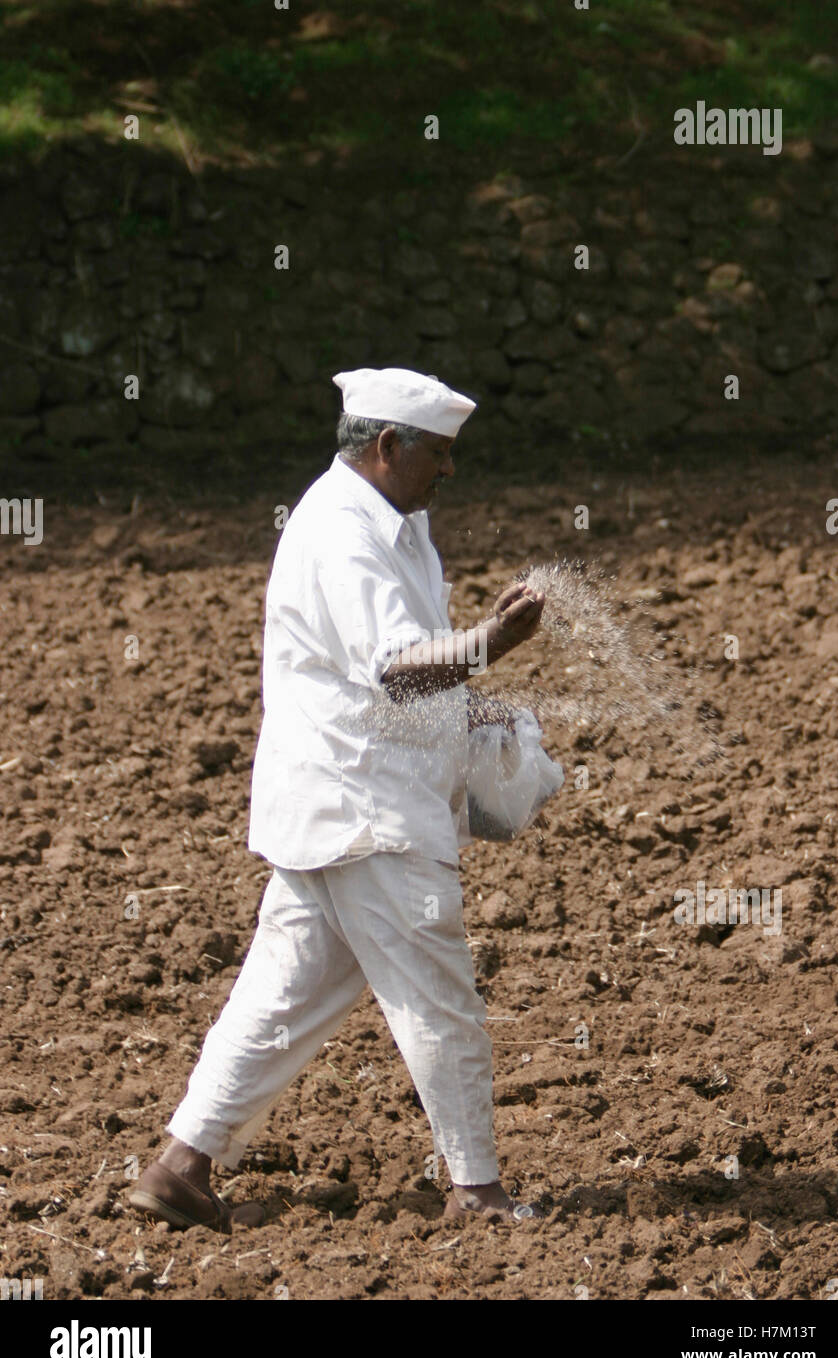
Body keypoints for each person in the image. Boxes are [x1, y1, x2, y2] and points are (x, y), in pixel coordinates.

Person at [129, 367, 546, 1232]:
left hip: (338, 805)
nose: (450, 471)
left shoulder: (395, 524)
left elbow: (405, 658)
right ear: (389, 446)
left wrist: (473, 699)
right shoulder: (340, 532)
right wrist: (491, 645)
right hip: (369, 814)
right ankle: (476, 1191)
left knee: (281, 997)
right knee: (439, 1000)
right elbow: (397, 668)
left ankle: (181, 1165)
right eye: (439, 453)